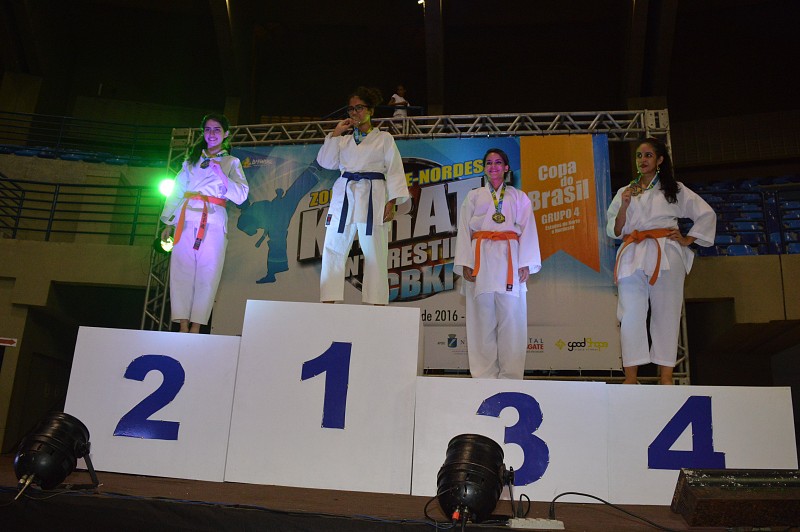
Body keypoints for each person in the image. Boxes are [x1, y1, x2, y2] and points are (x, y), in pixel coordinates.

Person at [606, 137, 716, 384]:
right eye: (639, 155)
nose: (642, 160)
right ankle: (631, 376)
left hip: (665, 250)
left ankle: (666, 375)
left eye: (648, 155)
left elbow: (706, 214)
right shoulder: (625, 192)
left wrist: (688, 239)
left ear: (659, 160)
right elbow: (615, 230)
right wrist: (625, 205)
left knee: (667, 311)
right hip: (632, 252)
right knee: (630, 314)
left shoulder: (674, 189)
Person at [316, 86, 410, 305]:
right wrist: (336, 133)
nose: (354, 112)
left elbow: (395, 170)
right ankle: (328, 300)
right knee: (333, 247)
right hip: (345, 195)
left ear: (371, 110)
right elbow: (325, 162)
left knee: (375, 251)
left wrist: (392, 201)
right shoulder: (343, 141)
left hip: (373, 195)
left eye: (359, 108)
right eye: (351, 109)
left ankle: (376, 303)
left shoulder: (384, 138)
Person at [454, 148, 542, 379]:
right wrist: (465, 261)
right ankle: (484, 376)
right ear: (485, 168)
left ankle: (511, 376)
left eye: (498, 162)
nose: (493, 166)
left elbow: (529, 229)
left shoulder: (519, 197)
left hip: (509, 259)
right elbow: (463, 229)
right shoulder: (474, 196)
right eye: (489, 163)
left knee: (512, 320)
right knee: (481, 320)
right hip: (480, 259)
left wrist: (526, 263)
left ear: (506, 168)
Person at [160, 113, 249, 333]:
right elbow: (177, 191)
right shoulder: (190, 161)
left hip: (213, 220)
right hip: (186, 218)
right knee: (181, 270)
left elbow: (241, 195)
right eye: (208, 129)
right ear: (203, 133)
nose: (212, 134)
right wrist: (168, 222)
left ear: (226, 134)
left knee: (208, 272)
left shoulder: (231, 162)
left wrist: (222, 175)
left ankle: (197, 326)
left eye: (217, 130)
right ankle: (182, 324)